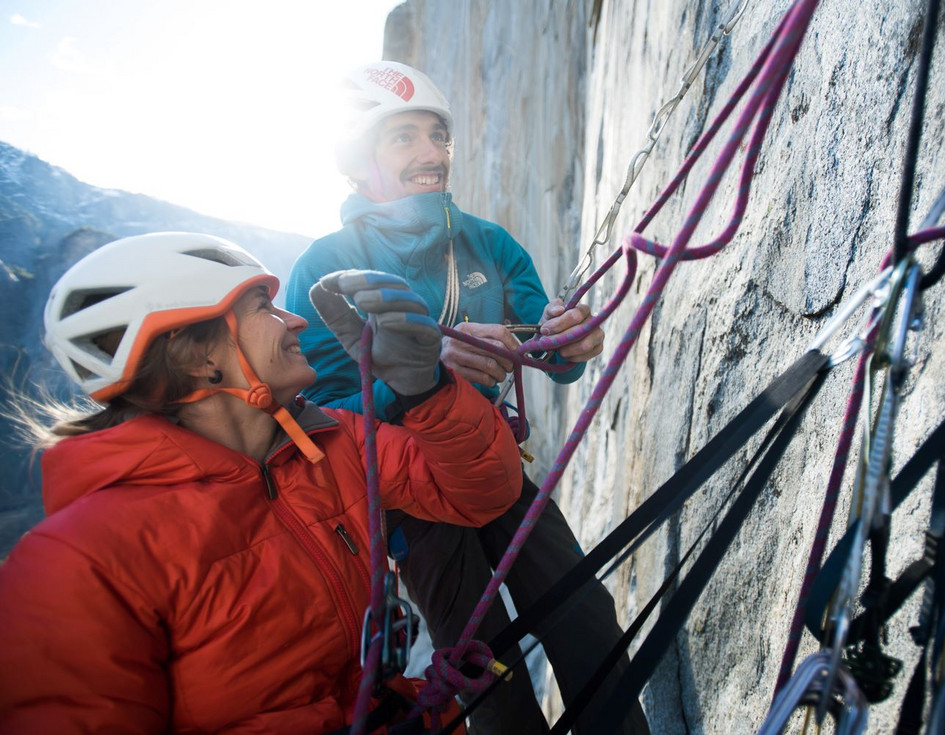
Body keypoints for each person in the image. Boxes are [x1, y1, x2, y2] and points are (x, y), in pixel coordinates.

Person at [0, 231, 524, 734]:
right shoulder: (80, 560)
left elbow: (479, 493)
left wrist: (425, 390)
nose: (294, 320)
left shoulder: (332, 442)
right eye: (262, 307)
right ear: (198, 357)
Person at [287, 61, 649, 734]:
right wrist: (423, 374)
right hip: (412, 495)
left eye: (439, 135)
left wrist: (569, 342)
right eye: (404, 138)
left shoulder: (487, 243)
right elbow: (322, 406)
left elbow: (543, 346)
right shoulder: (324, 266)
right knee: (482, 667)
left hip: (492, 462)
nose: (432, 154)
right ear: (361, 159)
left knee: (584, 614)